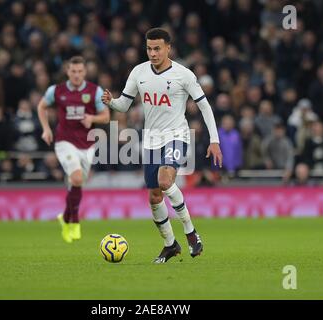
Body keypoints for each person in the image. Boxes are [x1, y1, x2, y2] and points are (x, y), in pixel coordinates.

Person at [101, 28, 222, 263]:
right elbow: (124, 105)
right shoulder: (138, 72)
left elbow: (205, 106)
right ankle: (170, 245)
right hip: (151, 140)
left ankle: (190, 232)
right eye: (149, 48)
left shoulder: (183, 74)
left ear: (168, 48)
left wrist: (214, 140)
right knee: (155, 197)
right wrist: (111, 102)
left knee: (165, 182)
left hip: (176, 135)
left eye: (157, 48)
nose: (153, 53)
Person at [37, 56, 110, 243]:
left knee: (76, 184)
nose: (76, 75)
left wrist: (91, 119)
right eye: (73, 71)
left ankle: (65, 217)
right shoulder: (56, 91)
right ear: (67, 72)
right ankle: (75, 222)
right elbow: (41, 106)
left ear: (85, 72)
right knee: (76, 178)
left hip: (87, 145)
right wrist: (46, 129)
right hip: (64, 142)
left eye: (80, 71)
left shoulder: (95, 91)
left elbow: (106, 116)